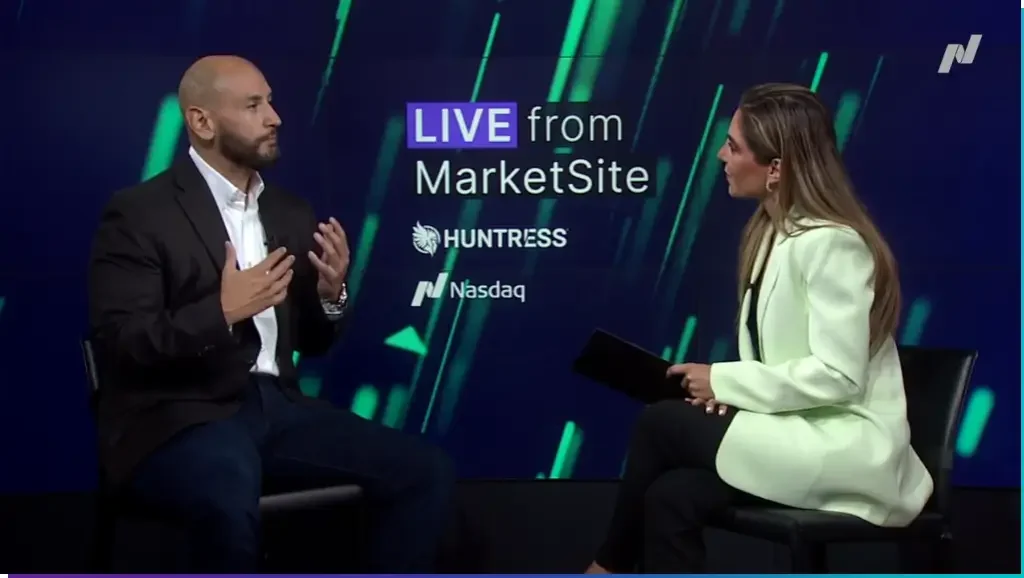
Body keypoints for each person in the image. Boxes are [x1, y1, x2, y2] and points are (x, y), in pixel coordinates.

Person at [88, 55, 454, 572]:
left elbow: (317, 342)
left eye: (271, 102)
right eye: (254, 105)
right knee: (227, 486)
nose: (275, 116)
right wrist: (220, 311)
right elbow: (125, 343)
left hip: (280, 408)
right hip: (178, 416)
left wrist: (332, 294)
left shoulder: (288, 212)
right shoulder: (140, 214)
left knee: (425, 471)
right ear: (202, 122)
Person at [586, 83, 934, 574]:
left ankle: (604, 569)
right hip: (793, 432)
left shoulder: (833, 244)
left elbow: (839, 375)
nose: (720, 155)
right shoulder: (770, 234)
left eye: (734, 145)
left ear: (775, 168)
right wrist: (731, 395)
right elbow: (781, 364)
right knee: (670, 496)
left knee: (661, 422)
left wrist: (725, 380)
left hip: (845, 448)